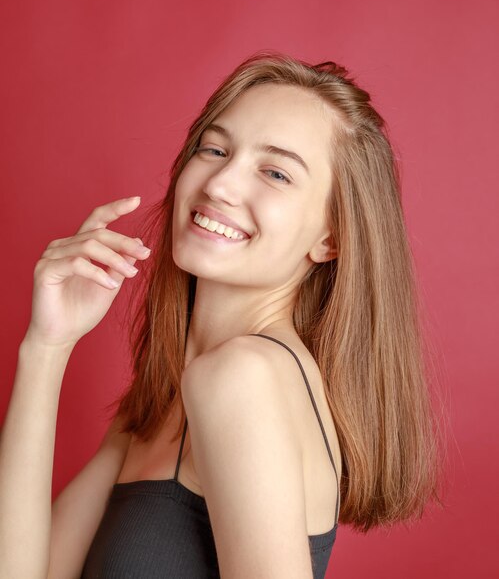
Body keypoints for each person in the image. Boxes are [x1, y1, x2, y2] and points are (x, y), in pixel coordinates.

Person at [0, 51, 445, 579]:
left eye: (276, 173)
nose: (220, 184)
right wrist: (47, 348)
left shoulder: (242, 378)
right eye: (214, 149)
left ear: (332, 237)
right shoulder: (168, 392)